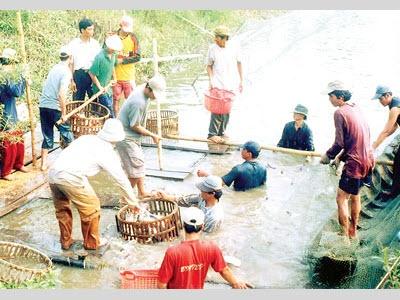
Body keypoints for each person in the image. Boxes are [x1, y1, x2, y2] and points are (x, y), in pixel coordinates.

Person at [48, 119, 140, 250]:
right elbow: (121, 179)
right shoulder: (107, 152)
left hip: (53, 173)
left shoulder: (87, 138)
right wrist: (133, 201)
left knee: (62, 209)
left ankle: (65, 241)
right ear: (117, 138)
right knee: (92, 207)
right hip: (70, 176)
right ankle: (92, 243)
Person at [320, 81, 374, 239]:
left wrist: (328, 156)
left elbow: (339, 143)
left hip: (355, 164)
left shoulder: (339, 113)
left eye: (331, 96)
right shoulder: (356, 107)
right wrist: (340, 157)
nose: (329, 99)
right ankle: (353, 232)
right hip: (368, 159)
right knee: (355, 196)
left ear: (340, 97)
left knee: (341, 198)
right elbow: (355, 139)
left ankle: (344, 237)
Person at [157, 207, 248, 289]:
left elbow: (161, 285)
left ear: (183, 225)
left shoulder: (172, 252)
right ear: (203, 226)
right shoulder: (212, 248)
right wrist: (236, 283)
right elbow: (224, 270)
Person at [116, 75, 165, 198]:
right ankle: (125, 198)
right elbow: (134, 126)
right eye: (155, 94)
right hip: (126, 136)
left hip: (132, 135)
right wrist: (152, 135)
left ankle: (141, 192)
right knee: (135, 170)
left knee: (139, 165)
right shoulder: (139, 102)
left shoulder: (143, 88)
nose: (155, 98)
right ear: (149, 89)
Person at [38, 47, 74, 171]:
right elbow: (61, 94)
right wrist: (64, 113)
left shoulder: (54, 68)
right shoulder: (66, 72)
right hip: (55, 107)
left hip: (43, 105)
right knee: (68, 134)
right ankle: (72, 163)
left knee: (47, 135)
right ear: (70, 58)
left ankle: (43, 164)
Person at [206, 25, 243, 144]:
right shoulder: (212, 49)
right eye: (216, 39)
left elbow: (239, 63)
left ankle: (222, 132)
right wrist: (211, 80)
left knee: (227, 108)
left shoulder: (234, 48)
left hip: (231, 82)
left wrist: (241, 80)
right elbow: (209, 65)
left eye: (218, 39)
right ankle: (212, 134)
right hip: (217, 82)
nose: (217, 41)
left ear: (224, 38)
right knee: (216, 108)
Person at [157, 175, 224, 233]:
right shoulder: (202, 198)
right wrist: (166, 197)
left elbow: (205, 236)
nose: (200, 191)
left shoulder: (213, 217)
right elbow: (185, 200)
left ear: (212, 194)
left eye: (203, 190)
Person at [0, 48, 28, 180]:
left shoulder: (7, 74)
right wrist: (23, 77)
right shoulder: (5, 75)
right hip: (5, 113)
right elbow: (16, 92)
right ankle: (5, 171)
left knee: (18, 138)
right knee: (9, 142)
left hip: (10, 110)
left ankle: (18, 163)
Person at [198, 141, 267, 191]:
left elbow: (218, 183)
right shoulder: (263, 168)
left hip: (238, 199)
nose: (241, 151)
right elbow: (262, 186)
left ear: (249, 154)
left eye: (243, 149)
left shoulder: (238, 169)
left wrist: (205, 174)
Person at [371, 85, 400, 201]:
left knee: (398, 162)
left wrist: (374, 146)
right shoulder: (394, 104)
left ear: (387, 95)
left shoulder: (394, 108)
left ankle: (394, 191)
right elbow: (394, 127)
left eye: (380, 99)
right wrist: (379, 140)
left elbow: (387, 130)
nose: (380, 101)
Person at [112, 15, 141, 116]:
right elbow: (106, 54)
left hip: (129, 77)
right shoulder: (112, 37)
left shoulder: (133, 38)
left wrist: (122, 60)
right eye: (125, 29)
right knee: (115, 99)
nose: (127, 31)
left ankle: (129, 122)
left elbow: (137, 57)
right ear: (120, 26)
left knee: (130, 100)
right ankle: (116, 120)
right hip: (115, 76)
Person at [67, 18, 102, 101]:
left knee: (95, 100)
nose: (92, 31)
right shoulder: (74, 44)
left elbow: (99, 62)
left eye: (93, 29)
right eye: (89, 29)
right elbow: (70, 63)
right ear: (82, 30)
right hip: (79, 75)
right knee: (77, 101)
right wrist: (71, 80)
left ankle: (94, 114)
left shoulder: (95, 44)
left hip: (92, 74)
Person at [89, 34, 122, 118]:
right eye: (114, 49)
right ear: (109, 47)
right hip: (100, 89)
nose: (115, 50)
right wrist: (100, 87)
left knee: (107, 109)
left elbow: (113, 66)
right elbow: (92, 73)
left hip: (108, 88)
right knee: (109, 109)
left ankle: (107, 126)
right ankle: (114, 125)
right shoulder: (99, 57)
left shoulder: (113, 55)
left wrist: (114, 77)